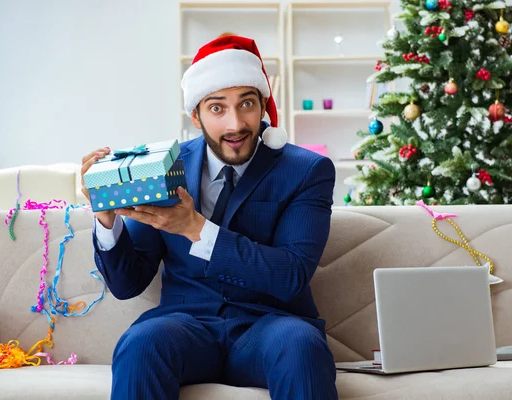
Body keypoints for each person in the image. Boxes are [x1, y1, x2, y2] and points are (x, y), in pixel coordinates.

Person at [80, 35, 338, 400]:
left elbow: (292, 274)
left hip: (270, 326)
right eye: (217, 108)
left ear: (263, 105)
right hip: (186, 327)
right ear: (195, 116)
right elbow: (127, 285)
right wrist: (106, 219)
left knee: (302, 345)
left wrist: (195, 228)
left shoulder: (306, 170)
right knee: (141, 342)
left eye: (246, 104)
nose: (235, 124)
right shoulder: (164, 167)